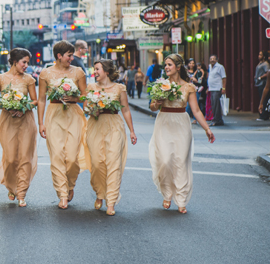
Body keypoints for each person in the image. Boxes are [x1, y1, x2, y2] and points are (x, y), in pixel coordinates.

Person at [149, 54, 215, 213]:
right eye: (165, 65)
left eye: (169, 65)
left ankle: (181, 198)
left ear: (178, 67)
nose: (166, 67)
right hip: (164, 122)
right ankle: (167, 193)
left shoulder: (189, 87)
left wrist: (207, 128)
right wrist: (156, 103)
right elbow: (152, 107)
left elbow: (196, 111)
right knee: (165, 160)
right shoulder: (160, 85)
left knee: (180, 161)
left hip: (181, 124)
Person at [37, 40, 88, 209]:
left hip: (73, 114)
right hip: (54, 114)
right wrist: (41, 123)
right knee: (57, 154)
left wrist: (74, 98)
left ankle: (70, 184)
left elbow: (84, 96)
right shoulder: (45, 73)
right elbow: (42, 100)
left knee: (72, 157)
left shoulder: (78, 72)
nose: (72, 58)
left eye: (72, 55)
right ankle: (62, 194)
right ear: (59, 56)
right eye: (69, 55)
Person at [85, 59, 137, 216]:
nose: (95, 72)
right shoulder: (91, 87)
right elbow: (86, 107)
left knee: (113, 162)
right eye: (94, 69)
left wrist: (132, 131)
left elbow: (126, 110)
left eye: (97, 69)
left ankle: (111, 201)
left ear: (106, 71)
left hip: (114, 126)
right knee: (97, 162)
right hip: (95, 125)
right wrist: (92, 109)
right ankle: (100, 193)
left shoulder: (119, 88)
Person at [0, 48, 38, 207]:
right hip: (8, 120)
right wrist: (7, 106)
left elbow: (34, 101)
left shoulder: (29, 79)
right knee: (10, 158)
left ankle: (22, 192)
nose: (26, 66)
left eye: (27, 63)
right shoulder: (0, 78)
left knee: (25, 156)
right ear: (14, 61)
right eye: (24, 62)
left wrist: (22, 107)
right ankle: (11, 186)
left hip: (26, 120)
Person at [207, 54, 227, 126]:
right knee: (213, 104)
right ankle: (217, 119)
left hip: (217, 88)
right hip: (211, 88)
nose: (212, 60)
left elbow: (224, 78)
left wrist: (223, 88)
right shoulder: (210, 66)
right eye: (211, 59)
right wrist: (208, 88)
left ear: (217, 60)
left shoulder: (220, 67)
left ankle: (217, 120)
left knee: (216, 105)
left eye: (214, 59)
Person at [255, 50, 270, 121]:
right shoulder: (260, 63)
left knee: (264, 99)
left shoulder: (265, 64)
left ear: (264, 56)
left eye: (260, 55)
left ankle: (264, 115)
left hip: (263, 83)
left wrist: (260, 77)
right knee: (261, 98)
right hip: (259, 83)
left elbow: (268, 73)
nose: (259, 56)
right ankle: (263, 114)